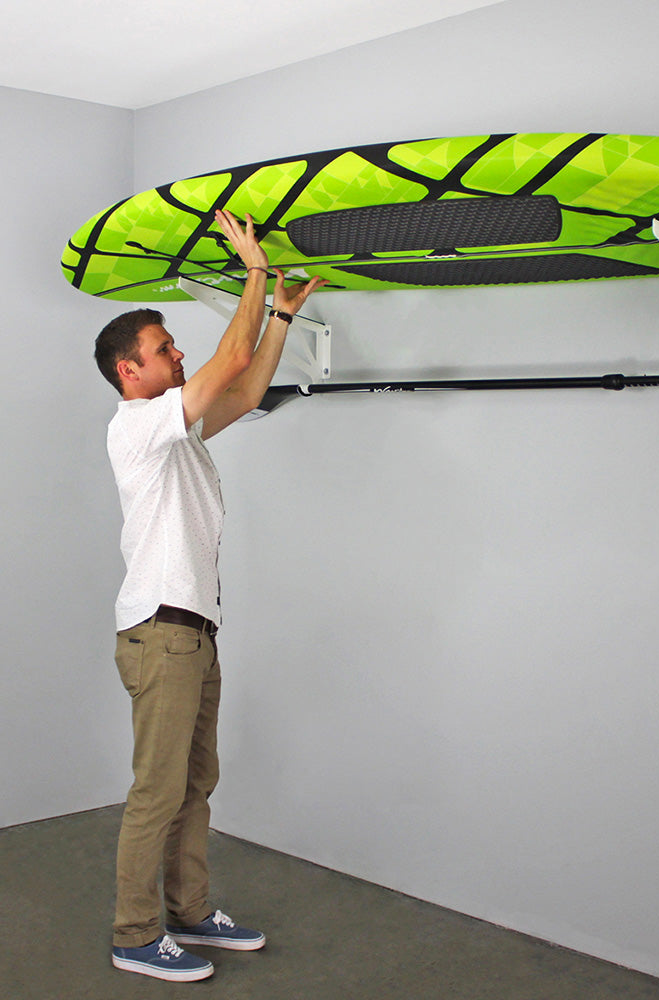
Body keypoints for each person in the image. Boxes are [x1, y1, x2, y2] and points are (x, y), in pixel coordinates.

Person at [94, 210, 325, 982]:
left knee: (195, 783)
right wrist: (254, 274)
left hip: (194, 632)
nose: (178, 353)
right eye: (164, 349)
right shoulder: (135, 428)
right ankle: (135, 934)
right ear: (132, 371)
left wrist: (282, 317)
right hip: (162, 633)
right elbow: (226, 362)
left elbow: (247, 382)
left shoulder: (179, 434)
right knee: (156, 792)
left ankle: (191, 914)